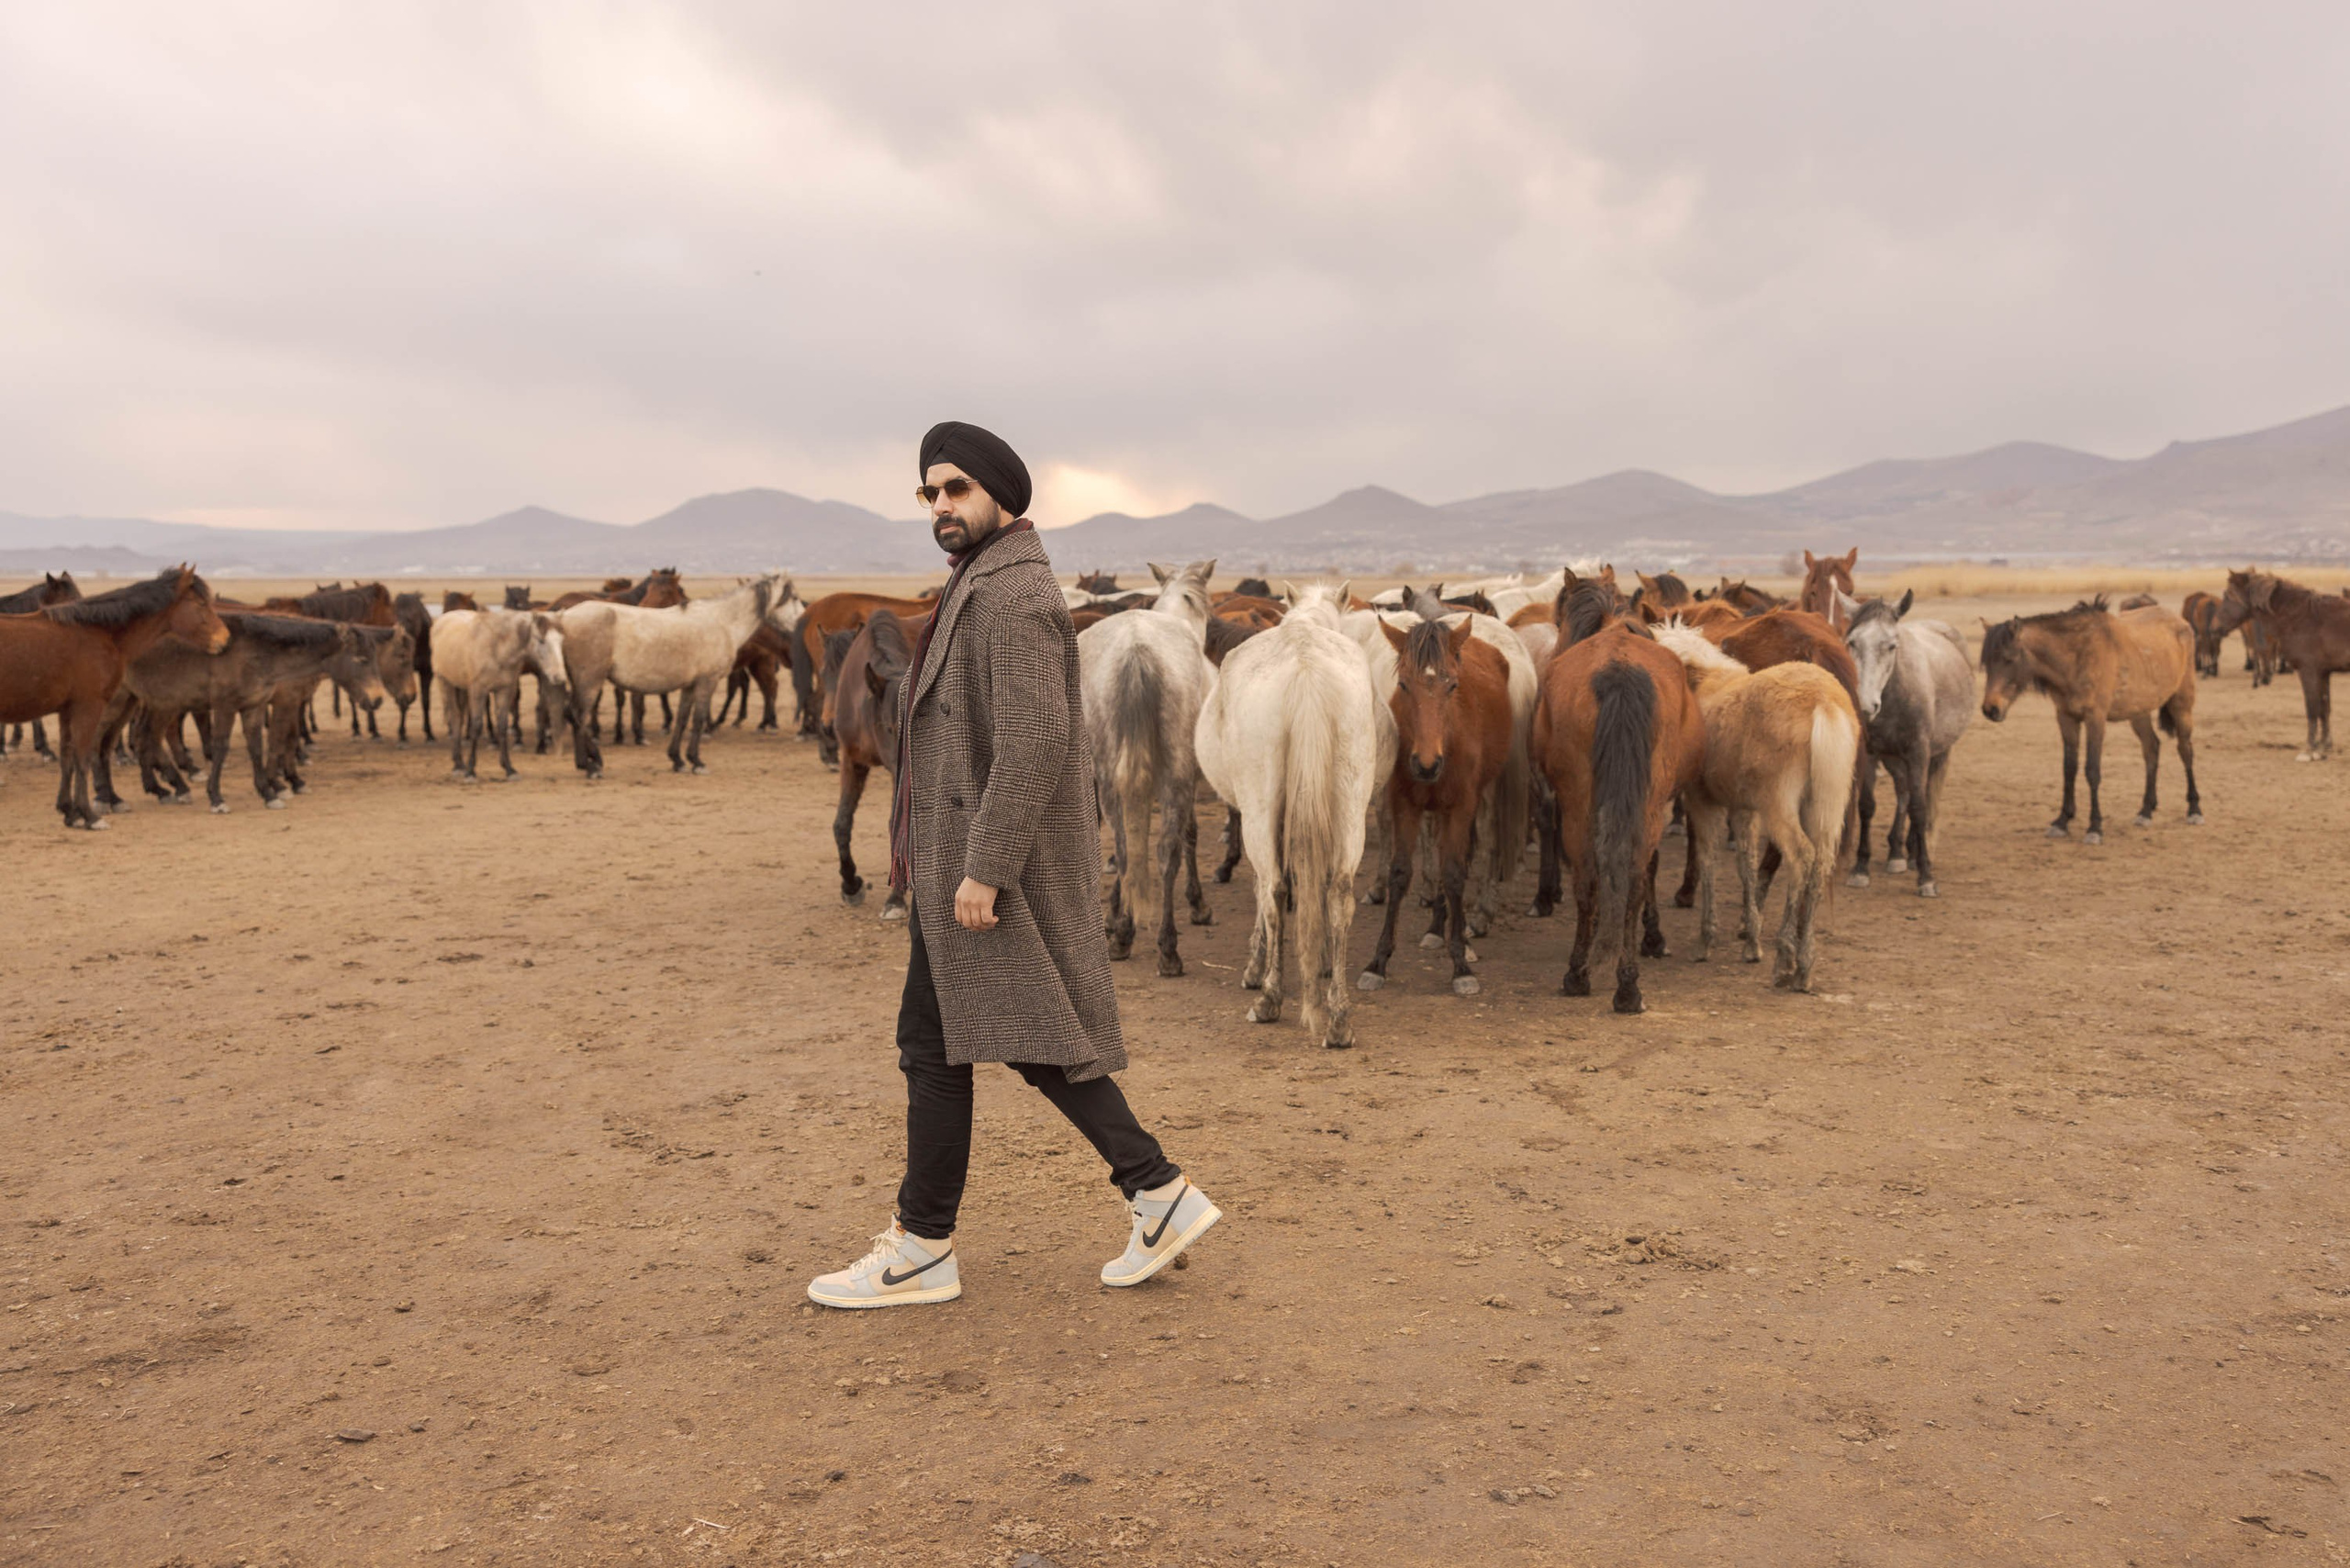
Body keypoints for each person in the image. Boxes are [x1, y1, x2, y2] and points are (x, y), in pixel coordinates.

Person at [809, 421, 1220, 1309]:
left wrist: (984, 870)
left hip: (992, 864)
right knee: (967, 1044)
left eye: (957, 489)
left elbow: (1034, 744)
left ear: (1000, 494)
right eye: (930, 493)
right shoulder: (982, 583)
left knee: (977, 1043)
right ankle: (1152, 1194)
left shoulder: (1014, 597)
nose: (942, 507)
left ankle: (930, 1245)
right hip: (964, 855)